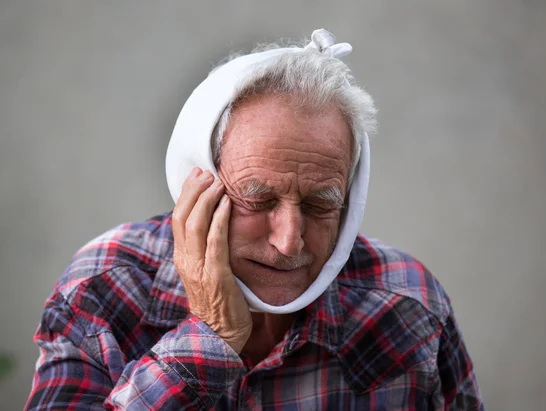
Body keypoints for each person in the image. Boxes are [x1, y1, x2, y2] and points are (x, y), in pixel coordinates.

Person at [25, 29, 484, 410]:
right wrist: (210, 337)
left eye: (320, 203)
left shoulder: (408, 306)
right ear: (196, 183)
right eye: (257, 200)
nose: (289, 242)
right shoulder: (106, 290)